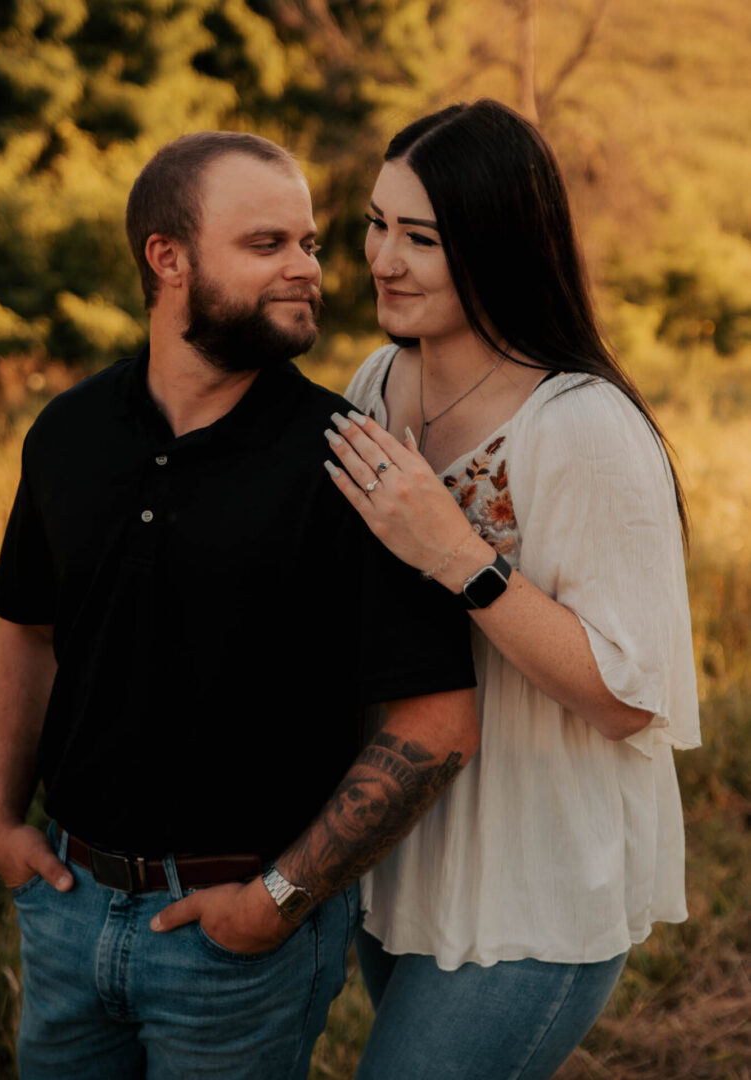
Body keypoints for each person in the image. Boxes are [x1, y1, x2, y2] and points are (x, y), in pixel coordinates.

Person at [0, 131, 480, 1080]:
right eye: (267, 246)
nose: (308, 269)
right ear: (166, 259)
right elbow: (27, 632)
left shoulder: (352, 462)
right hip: (62, 903)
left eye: (309, 245)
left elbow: (439, 722)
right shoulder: (67, 432)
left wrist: (278, 900)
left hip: (235, 947)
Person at [323, 100, 701, 1079]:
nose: (382, 259)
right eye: (376, 224)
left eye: (421, 238)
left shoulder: (581, 427)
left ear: (496, 246)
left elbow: (628, 697)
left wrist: (461, 556)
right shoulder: (377, 381)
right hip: (407, 840)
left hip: (533, 871)